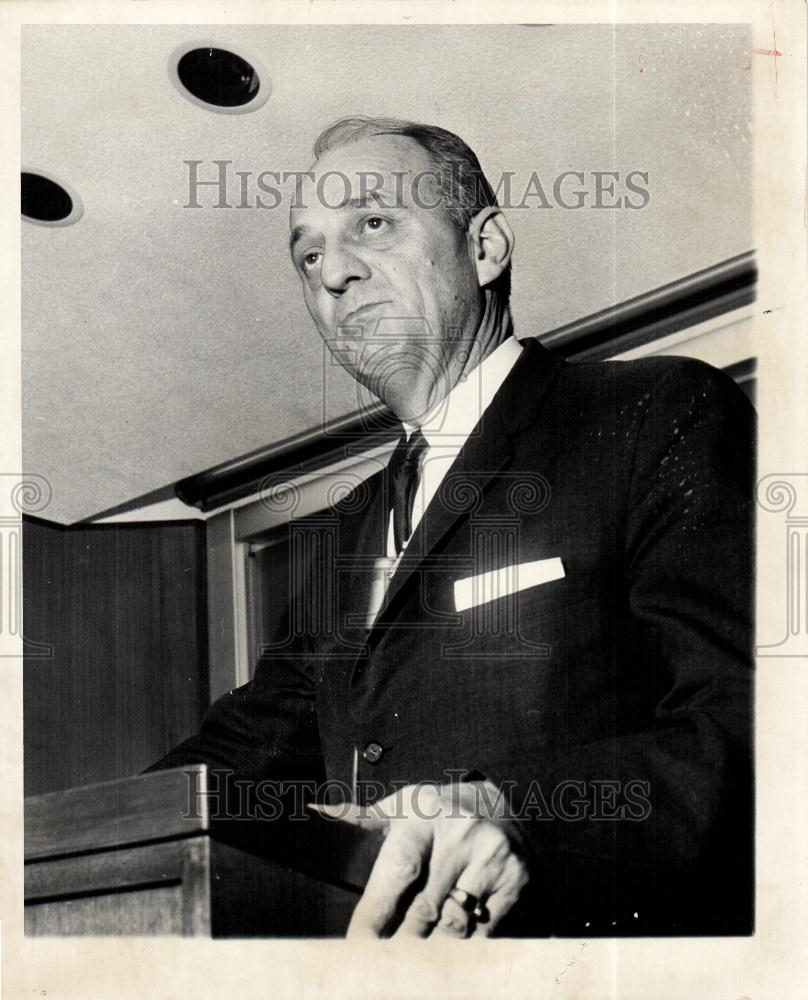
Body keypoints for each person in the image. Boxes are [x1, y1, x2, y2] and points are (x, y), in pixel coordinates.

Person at [148, 116, 755, 939]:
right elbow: (234, 756)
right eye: (308, 254)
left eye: (373, 223)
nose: (334, 273)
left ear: (488, 246)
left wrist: (521, 813)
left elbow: (750, 724)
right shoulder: (353, 528)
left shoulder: (654, 416)